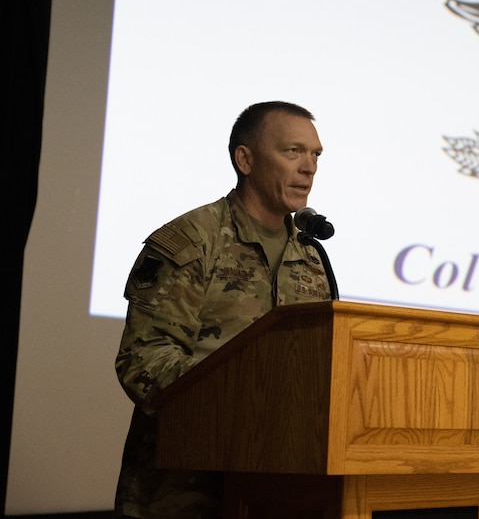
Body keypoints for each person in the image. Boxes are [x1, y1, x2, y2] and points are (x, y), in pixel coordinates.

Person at [113, 101, 333, 518]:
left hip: (276, 489)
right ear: (245, 159)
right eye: (293, 152)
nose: (309, 168)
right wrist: (246, 404)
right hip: (182, 492)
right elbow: (143, 361)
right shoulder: (190, 242)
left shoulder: (310, 255)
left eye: (315, 154)